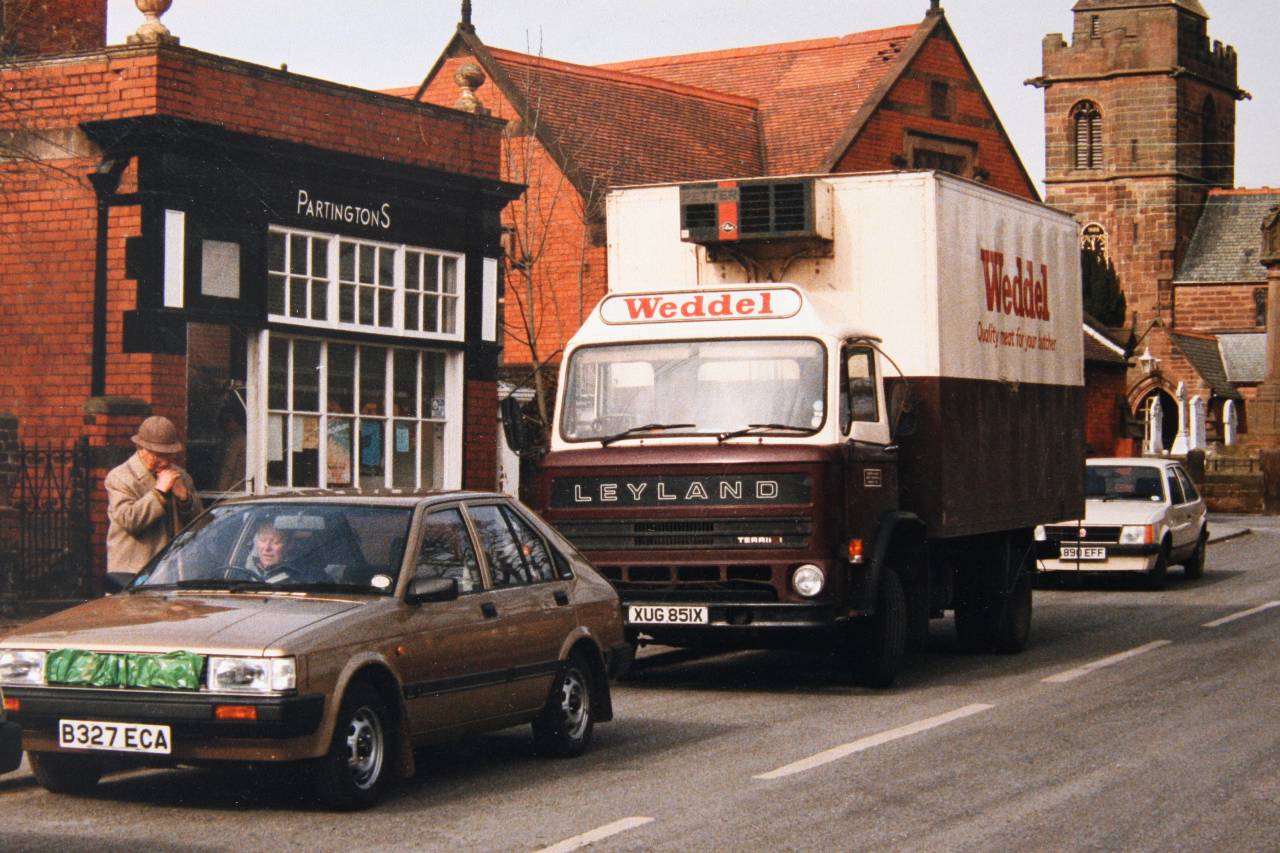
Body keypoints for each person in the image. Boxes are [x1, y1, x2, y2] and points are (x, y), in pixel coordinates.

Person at [105, 415, 203, 575]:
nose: (164, 462)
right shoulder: (120, 477)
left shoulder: (181, 476)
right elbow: (129, 520)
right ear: (140, 448)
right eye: (158, 455)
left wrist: (185, 498)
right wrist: (159, 492)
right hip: (132, 573)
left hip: (172, 571)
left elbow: (199, 524)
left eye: (169, 455)